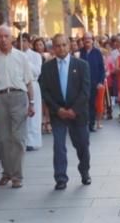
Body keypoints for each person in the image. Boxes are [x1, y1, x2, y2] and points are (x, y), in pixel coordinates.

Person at [0, 25, 35, 188]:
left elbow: (28, 82)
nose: (3, 39)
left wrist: (31, 103)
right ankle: (7, 172)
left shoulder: (21, 57)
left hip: (18, 96)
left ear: (12, 38)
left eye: (6, 36)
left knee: (19, 138)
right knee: (3, 138)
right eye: (0, 37)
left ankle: (17, 176)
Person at [39, 34, 91, 189]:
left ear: (69, 45)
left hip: (78, 113)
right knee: (59, 145)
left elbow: (85, 91)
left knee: (82, 145)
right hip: (58, 113)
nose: (61, 48)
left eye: (64, 45)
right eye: (57, 46)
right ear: (53, 48)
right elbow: (45, 91)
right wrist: (58, 109)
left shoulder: (82, 65)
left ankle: (84, 171)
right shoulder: (47, 67)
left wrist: (74, 110)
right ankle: (61, 177)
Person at [77, 33, 105, 132]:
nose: (87, 40)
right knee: (82, 104)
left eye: (89, 38)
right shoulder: (79, 53)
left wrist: (100, 82)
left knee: (92, 104)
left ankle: (91, 124)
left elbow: (102, 68)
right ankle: (82, 124)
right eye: (85, 38)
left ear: (93, 40)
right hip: (81, 83)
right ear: (83, 40)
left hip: (94, 83)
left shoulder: (97, 53)